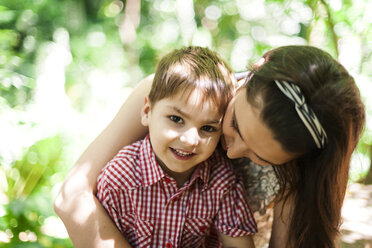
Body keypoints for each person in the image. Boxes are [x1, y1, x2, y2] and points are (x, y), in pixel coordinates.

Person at [54, 45, 365, 248]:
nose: (231, 152)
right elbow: (72, 197)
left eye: (260, 156)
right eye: (235, 127)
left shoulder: (298, 172)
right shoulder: (178, 92)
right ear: (247, 79)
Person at [96, 46, 257, 248]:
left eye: (207, 128)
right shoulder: (118, 178)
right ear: (147, 112)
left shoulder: (222, 181)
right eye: (176, 119)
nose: (190, 140)